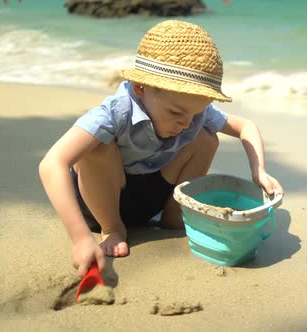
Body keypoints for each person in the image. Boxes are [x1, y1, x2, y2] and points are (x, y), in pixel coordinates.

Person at [39, 20, 283, 277]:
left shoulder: (189, 112)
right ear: (141, 88)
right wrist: (80, 238)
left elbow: (246, 126)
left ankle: (176, 217)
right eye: (177, 112)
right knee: (96, 147)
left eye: (196, 112)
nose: (186, 122)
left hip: (147, 200)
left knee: (206, 137)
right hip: (98, 203)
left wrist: (260, 172)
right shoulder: (113, 113)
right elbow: (52, 164)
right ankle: (113, 228)